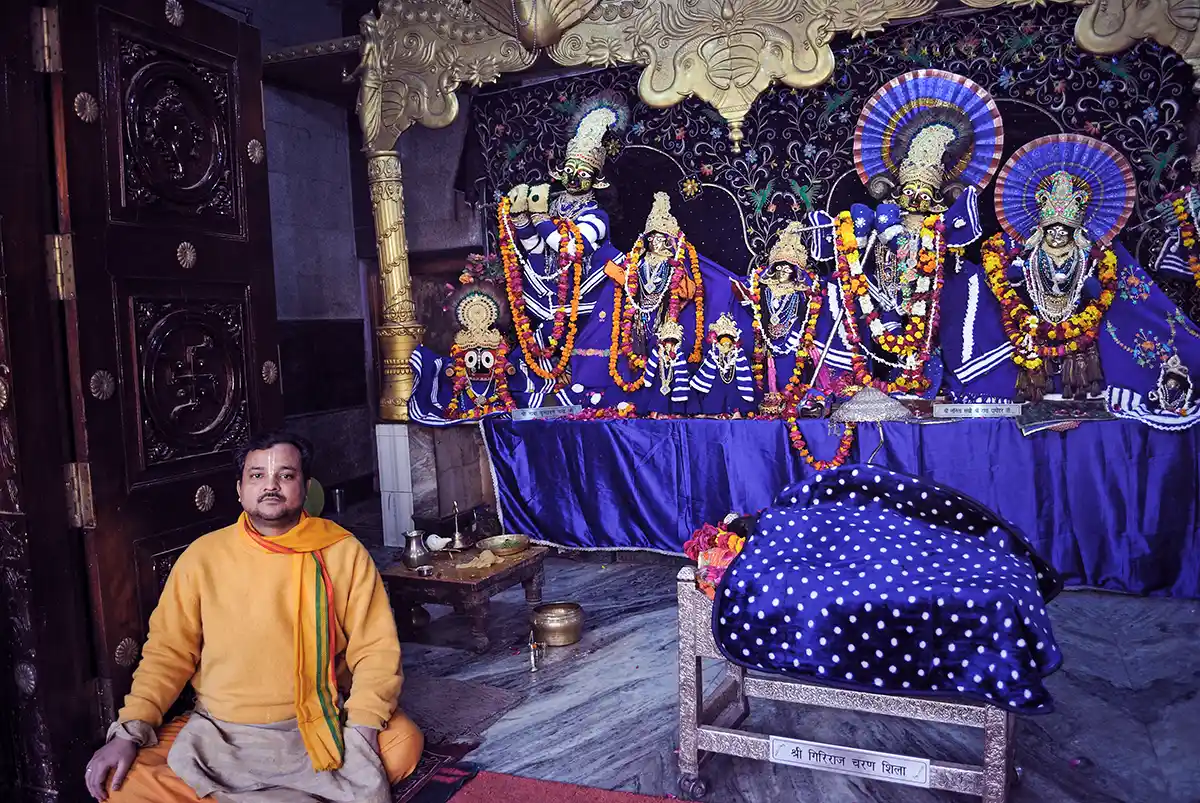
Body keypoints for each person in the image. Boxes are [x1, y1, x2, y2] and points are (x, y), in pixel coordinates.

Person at [83, 431, 422, 802]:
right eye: (257, 475)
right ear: (239, 489)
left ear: (305, 487)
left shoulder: (342, 552)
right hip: (223, 733)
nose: (270, 486)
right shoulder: (202, 557)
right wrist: (129, 732)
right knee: (124, 783)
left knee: (402, 742)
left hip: (317, 726)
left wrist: (363, 729)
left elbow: (376, 650)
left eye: (286, 475)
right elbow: (167, 654)